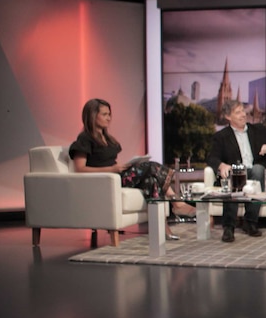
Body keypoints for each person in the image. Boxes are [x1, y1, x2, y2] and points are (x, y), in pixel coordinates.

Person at [69, 98, 190, 241]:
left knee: (152, 182)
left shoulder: (106, 137)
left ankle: (163, 230)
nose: (109, 118)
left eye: (109, 114)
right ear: (92, 115)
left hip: (116, 176)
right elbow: (80, 169)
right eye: (104, 114)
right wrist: (112, 169)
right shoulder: (84, 139)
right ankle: (176, 201)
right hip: (106, 181)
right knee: (151, 166)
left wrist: (120, 167)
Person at [206, 99, 266, 243]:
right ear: (228, 117)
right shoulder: (221, 137)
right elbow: (211, 158)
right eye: (237, 112)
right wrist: (221, 166)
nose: (243, 115)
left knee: (258, 170)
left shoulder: (257, 130)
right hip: (236, 172)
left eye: (243, 111)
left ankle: (250, 222)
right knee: (235, 178)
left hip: (254, 171)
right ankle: (228, 228)